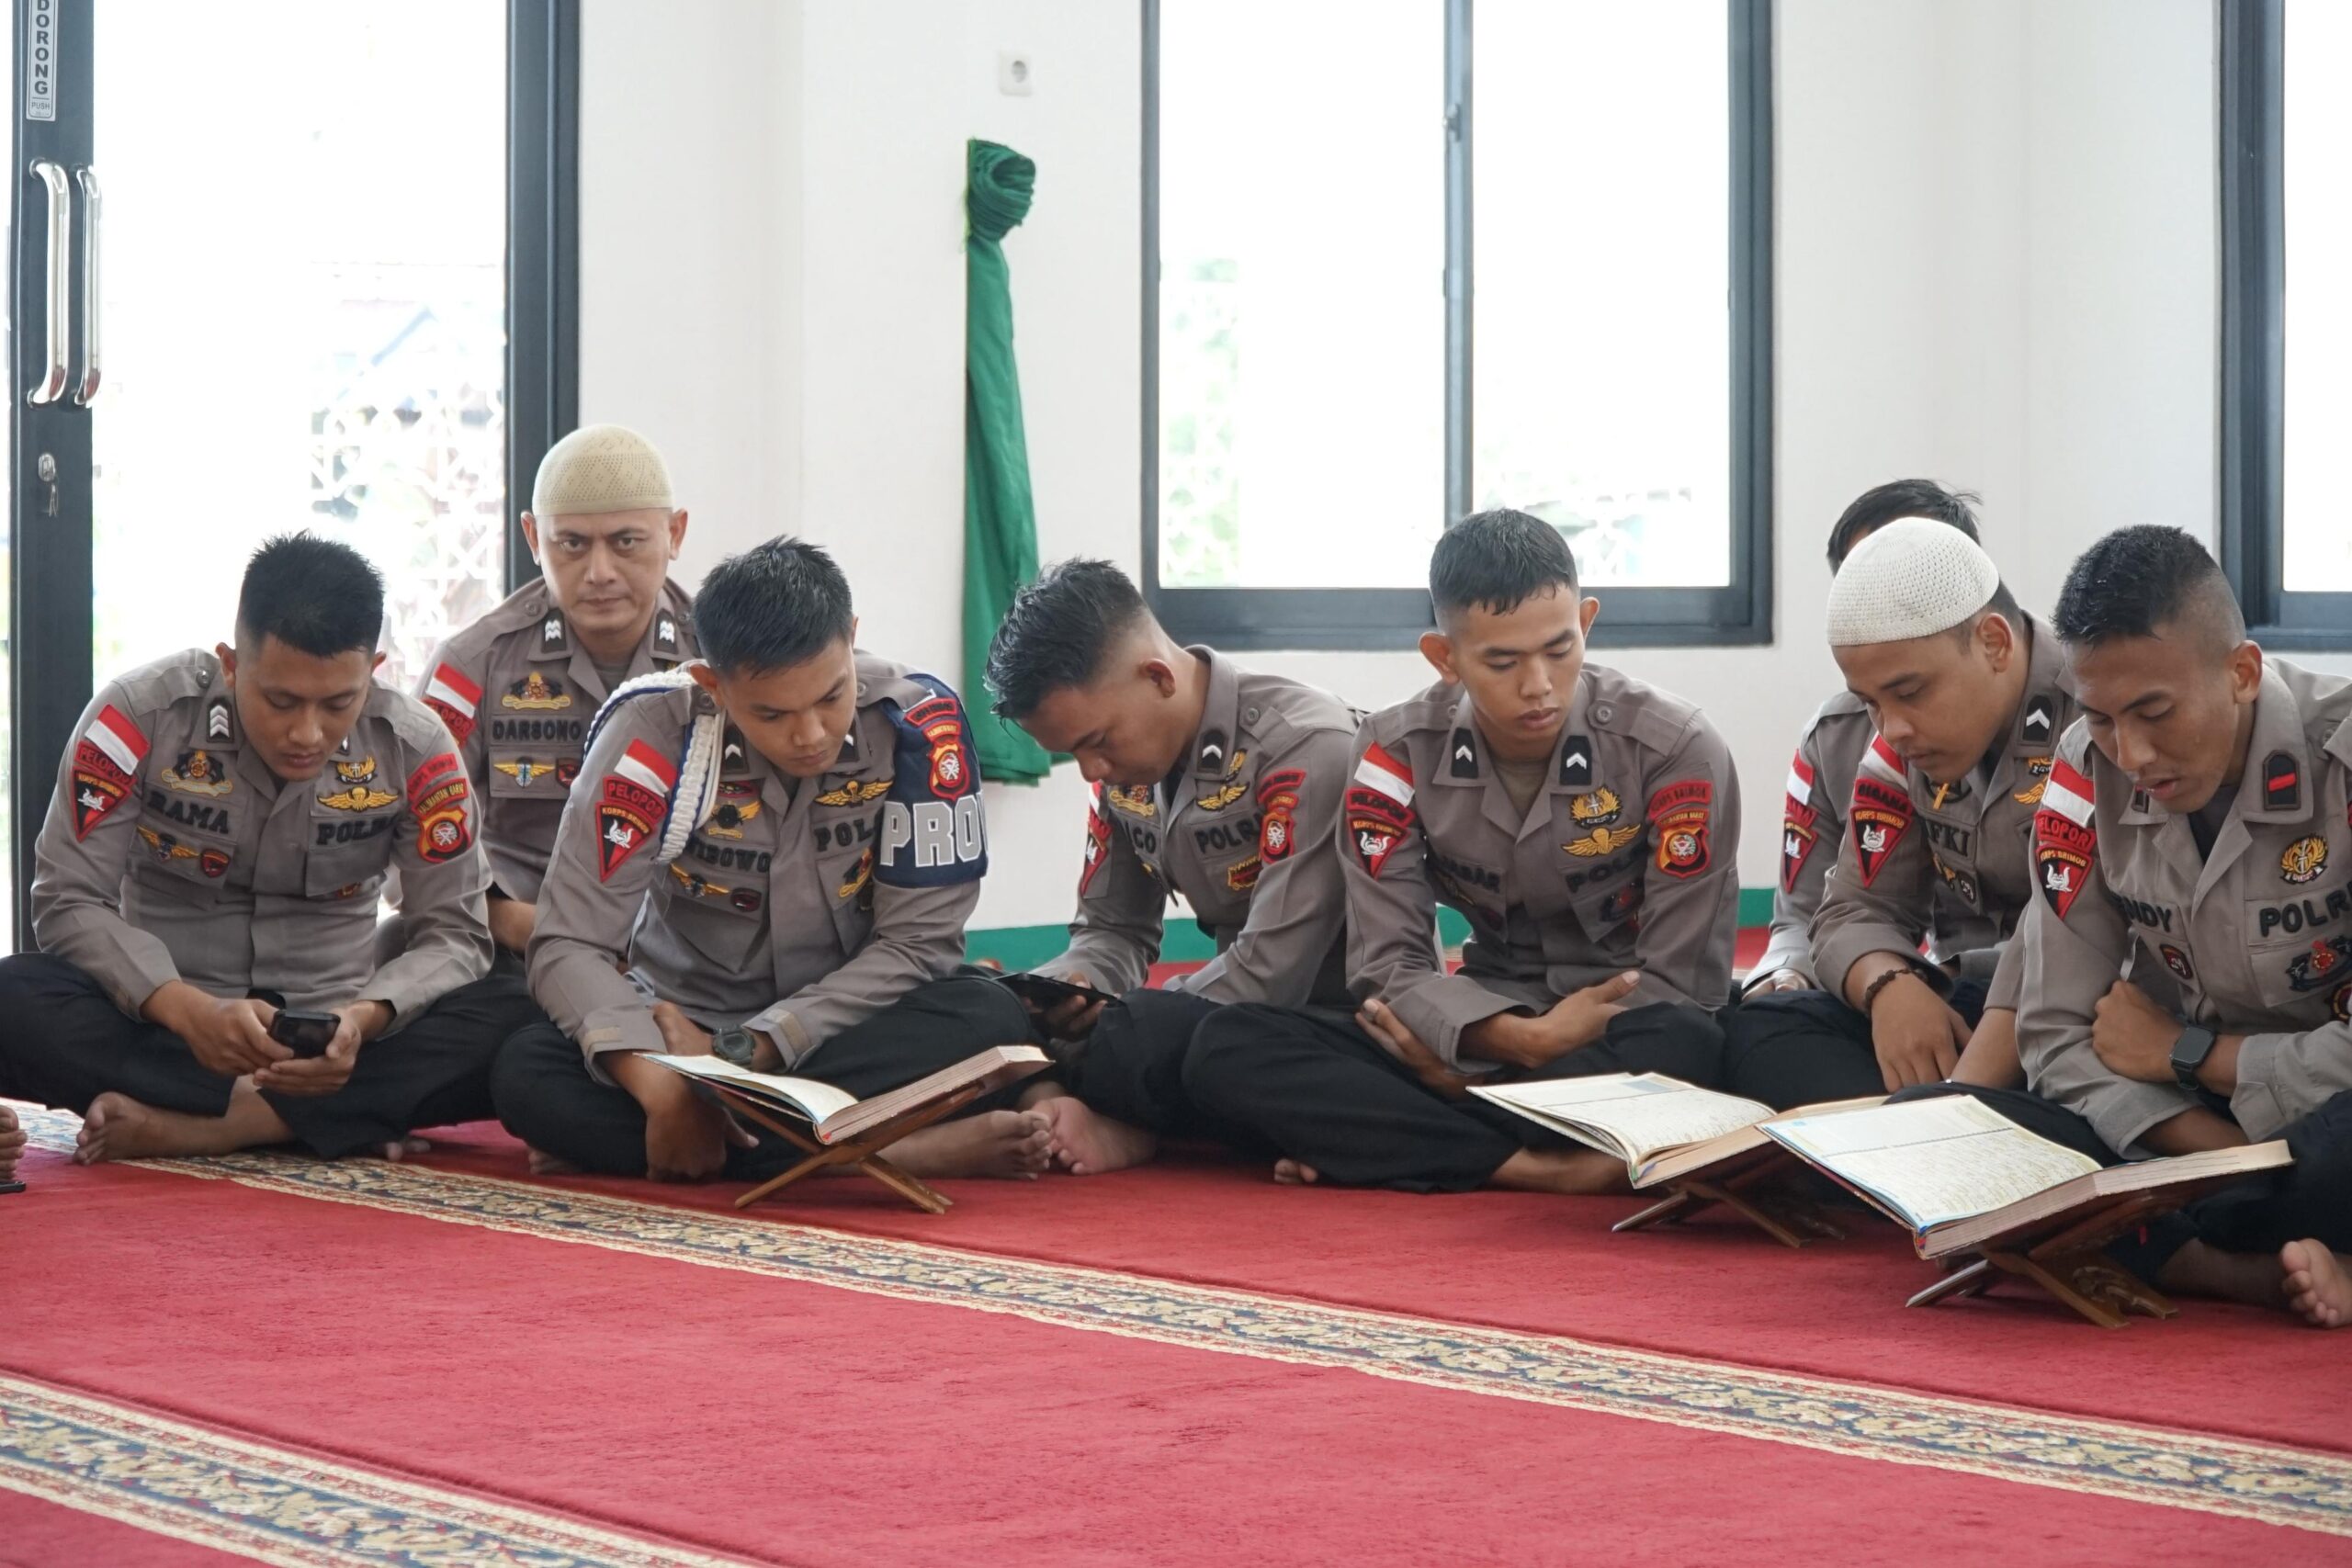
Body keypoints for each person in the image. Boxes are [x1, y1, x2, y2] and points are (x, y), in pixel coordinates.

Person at [1181, 510, 1741, 1193]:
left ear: (1587, 621)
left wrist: (1463, 1077)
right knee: (1228, 1044)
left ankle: (1412, 1134)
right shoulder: (1394, 752)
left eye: (1559, 649)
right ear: (1444, 658)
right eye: (1502, 662)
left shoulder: (1674, 747)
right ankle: (1535, 1166)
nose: (1538, 684)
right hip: (1480, 1018)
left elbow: (1683, 986)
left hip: (1617, 1033)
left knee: (1690, 1045)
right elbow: (1389, 964)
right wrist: (1509, 1040)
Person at [491, 537, 1049, 1183]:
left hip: (844, 1026)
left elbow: (916, 945)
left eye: (830, 697)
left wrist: (748, 1049)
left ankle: (730, 1145)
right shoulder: (655, 733)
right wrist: (664, 1088)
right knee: (524, 1071)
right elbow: (570, 942)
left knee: (988, 1016)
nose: (810, 734)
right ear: (713, 684)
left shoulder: (920, 727)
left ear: (852, 637)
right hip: (682, 1029)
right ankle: (885, 1149)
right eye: (772, 713)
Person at [1909, 525, 2349, 1327]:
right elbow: (2054, 1031)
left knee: (2334, 1157)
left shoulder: (2341, 761)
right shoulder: (2085, 769)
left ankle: (2175, 1241)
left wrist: (2193, 1054)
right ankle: (2237, 1265)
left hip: (2322, 1114)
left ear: (2242, 673)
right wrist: (2215, 1151)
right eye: (2101, 717)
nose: (2132, 753)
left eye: (2154, 712)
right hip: (2183, 1133)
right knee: (1959, 1134)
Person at [0, 535, 535, 1163]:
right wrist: (186, 1010)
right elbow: (68, 899)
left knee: (518, 1009)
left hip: (340, 1040)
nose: (306, 733)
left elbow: (456, 932)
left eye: (338, 703)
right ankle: (312, 1116)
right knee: (14, 998)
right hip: (166, 1027)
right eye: (280, 701)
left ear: (374, 670)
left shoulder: (415, 746)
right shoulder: (141, 717)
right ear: (231, 664)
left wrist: (364, 1018)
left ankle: (227, 1121)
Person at [983, 558, 1358, 1174]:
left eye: (1096, 741)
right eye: (1073, 753)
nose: (1092, 771)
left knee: (1168, 1043)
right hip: (1213, 1021)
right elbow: (1113, 930)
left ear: (1158, 676)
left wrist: (1124, 1021)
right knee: (985, 1014)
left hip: (1319, 1032)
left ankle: (1121, 1115)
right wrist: (1068, 989)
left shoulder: (1305, 746)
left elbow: (1271, 975)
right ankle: (1104, 1100)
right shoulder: (1125, 772)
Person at [1719, 518, 2075, 1106]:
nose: (1891, 728)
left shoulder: (2100, 714)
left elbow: (2078, 941)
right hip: (1961, 999)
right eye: (1870, 702)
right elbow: (1851, 908)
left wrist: (1956, 1090)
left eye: (1910, 693)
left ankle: (1914, 1130)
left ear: (1994, 642)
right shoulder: (1897, 742)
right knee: (1762, 1031)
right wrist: (1888, 985)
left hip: (2074, 1012)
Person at [415, 425, 697, 964]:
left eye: (626, 542)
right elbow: (412, 834)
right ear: (532, 538)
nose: (599, 573)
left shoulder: (720, 663)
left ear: (675, 533)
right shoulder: (473, 666)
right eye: (571, 544)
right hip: (515, 938)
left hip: (680, 951)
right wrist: (504, 918)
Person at [1748, 480, 2001, 997]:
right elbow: (1804, 916)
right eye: (1862, 579)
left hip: (2032, 991)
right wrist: (1786, 974)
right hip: (1904, 982)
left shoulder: (2082, 722)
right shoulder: (1834, 739)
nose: (1882, 596)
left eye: (1911, 576)